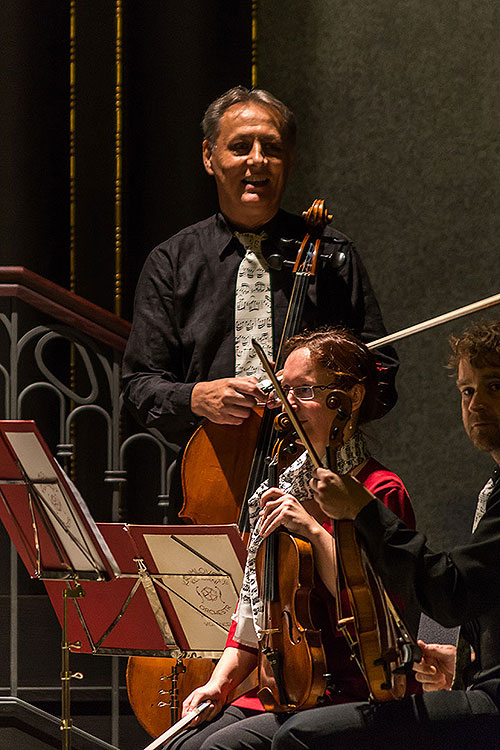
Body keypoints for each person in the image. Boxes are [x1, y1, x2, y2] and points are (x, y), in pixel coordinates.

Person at [121, 86, 398, 519]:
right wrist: (198, 397)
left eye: (271, 147)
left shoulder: (331, 255)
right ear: (210, 157)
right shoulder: (172, 261)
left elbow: (382, 370)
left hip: (316, 484)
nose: (256, 160)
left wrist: (325, 402)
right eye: (239, 147)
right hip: (214, 478)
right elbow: (140, 386)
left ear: (288, 159)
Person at [164, 327, 415, 750]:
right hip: (278, 687)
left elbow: (380, 614)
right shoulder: (282, 484)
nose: (287, 404)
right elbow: (253, 611)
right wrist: (218, 685)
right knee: (179, 745)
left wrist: (315, 533)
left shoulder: (380, 490)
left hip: (351, 689)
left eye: (304, 390)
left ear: (350, 398)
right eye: (285, 389)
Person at [273, 319, 500, 749]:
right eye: (468, 391)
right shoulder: (495, 485)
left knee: (301, 738)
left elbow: (449, 592)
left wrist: (362, 509)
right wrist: (464, 660)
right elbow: (479, 595)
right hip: (482, 689)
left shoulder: (383, 489)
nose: (476, 404)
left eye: (494, 387)